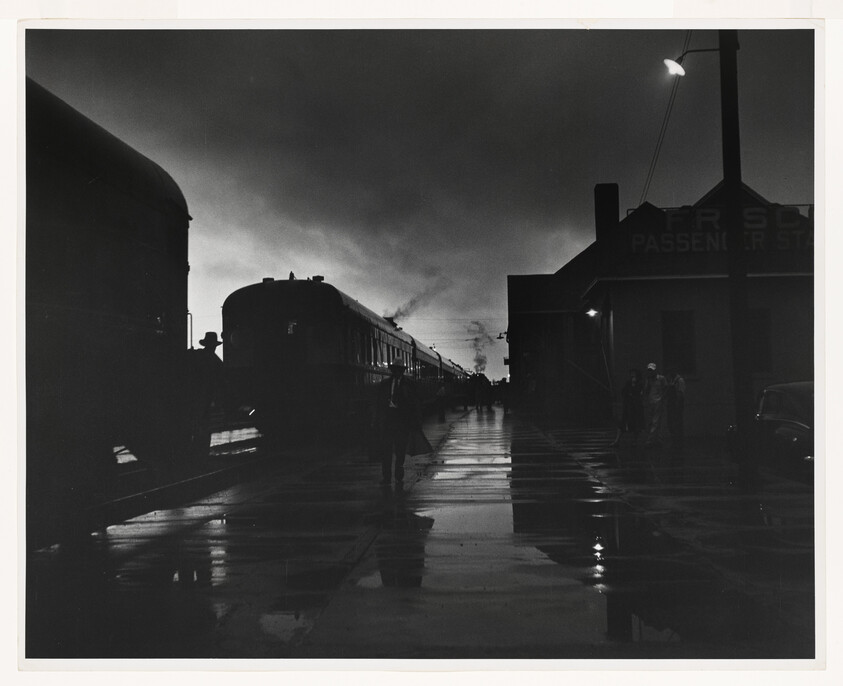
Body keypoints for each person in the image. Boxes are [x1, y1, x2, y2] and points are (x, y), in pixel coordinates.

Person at [373, 358, 421, 485]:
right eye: (395, 370)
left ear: (402, 371)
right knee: (386, 450)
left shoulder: (409, 384)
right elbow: (379, 403)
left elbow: (415, 403)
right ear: (393, 370)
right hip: (388, 420)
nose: (397, 372)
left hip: (402, 422)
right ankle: (387, 477)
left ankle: (399, 474)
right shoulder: (384, 384)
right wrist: (377, 420)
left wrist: (414, 421)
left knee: (400, 451)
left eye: (399, 370)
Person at [187, 331, 225, 461]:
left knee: (195, 424)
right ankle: (202, 453)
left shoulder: (197, 355)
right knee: (204, 425)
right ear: (214, 345)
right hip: (205, 398)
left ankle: (194, 451)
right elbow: (219, 381)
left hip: (193, 395)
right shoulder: (215, 361)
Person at [613, 368, 644, 445]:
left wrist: (633, 388)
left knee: (636, 424)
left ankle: (634, 441)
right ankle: (617, 441)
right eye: (631, 373)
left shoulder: (640, 383)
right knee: (622, 423)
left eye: (634, 373)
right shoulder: (628, 383)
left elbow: (638, 393)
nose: (632, 375)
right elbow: (623, 392)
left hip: (636, 406)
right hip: (628, 406)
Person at [642, 362, 667, 445]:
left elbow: (665, 388)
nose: (650, 372)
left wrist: (662, 398)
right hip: (650, 401)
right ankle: (657, 439)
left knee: (655, 421)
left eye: (652, 370)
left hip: (658, 401)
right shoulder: (648, 379)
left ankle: (650, 440)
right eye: (649, 370)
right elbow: (646, 391)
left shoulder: (661, 378)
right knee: (651, 421)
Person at [665, 368, 686, 449]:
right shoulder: (670, 380)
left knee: (677, 421)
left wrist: (677, 404)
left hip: (676, 404)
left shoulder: (680, 381)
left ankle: (678, 439)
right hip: (671, 403)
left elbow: (681, 394)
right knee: (670, 421)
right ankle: (674, 437)